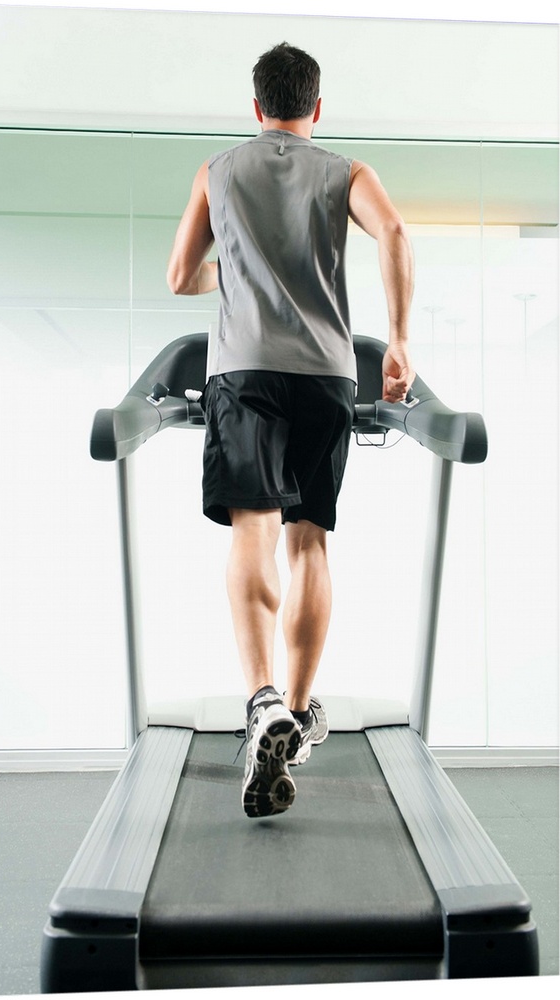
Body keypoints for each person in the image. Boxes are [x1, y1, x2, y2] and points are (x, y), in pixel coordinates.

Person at [166, 42, 415, 818]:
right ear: (316, 108)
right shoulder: (348, 173)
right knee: (309, 537)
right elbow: (397, 236)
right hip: (327, 374)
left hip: (242, 370)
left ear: (254, 106)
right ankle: (299, 713)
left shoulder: (216, 171)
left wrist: (232, 273)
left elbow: (179, 276)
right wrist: (400, 340)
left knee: (253, 530)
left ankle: (262, 700)